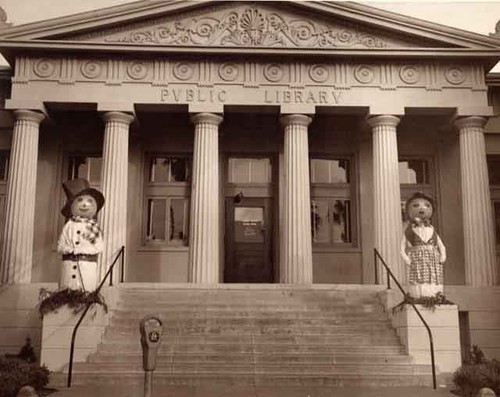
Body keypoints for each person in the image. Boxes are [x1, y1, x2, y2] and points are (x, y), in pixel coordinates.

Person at [57, 178, 104, 291]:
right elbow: (60, 245)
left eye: (89, 201)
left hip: (86, 266)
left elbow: (98, 247)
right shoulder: (69, 225)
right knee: (66, 291)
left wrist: (80, 250)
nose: (84, 205)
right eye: (80, 200)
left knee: (85, 291)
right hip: (68, 266)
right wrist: (69, 249)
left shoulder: (93, 228)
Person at [400, 192, 446, 298]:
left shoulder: (432, 229)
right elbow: (402, 248)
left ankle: (434, 295)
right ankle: (418, 295)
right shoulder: (409, 231)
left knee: (433, 276)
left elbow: (441, 244)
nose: (422, 209)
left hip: (433, 258)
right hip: (417, 258)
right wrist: (407, 259)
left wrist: (443, 255)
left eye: (427, 205)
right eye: (416, 205)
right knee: (418, 277)